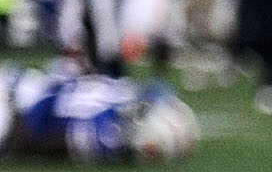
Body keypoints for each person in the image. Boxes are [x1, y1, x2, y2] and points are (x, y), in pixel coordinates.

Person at [3, 66, 197, 163]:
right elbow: (39, 142)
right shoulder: (105, 133)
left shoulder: (125, 92)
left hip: (22, 79)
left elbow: (157, 90)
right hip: (13, 108)